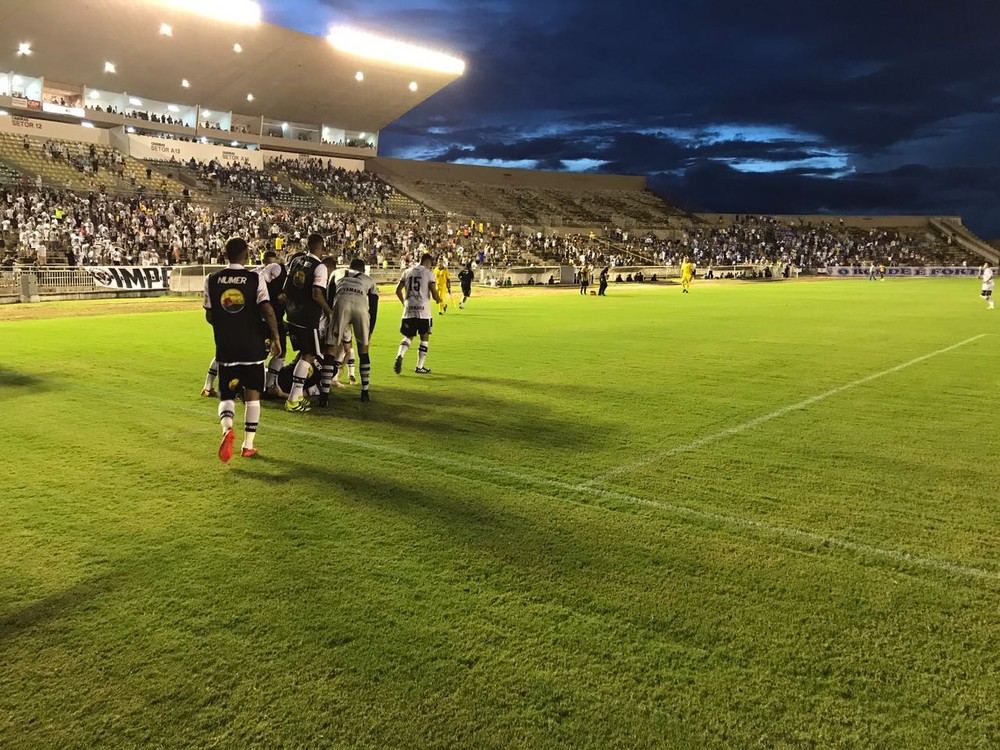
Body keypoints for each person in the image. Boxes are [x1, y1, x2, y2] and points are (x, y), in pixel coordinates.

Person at [203, 237, 280, 462]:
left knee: (226, 394)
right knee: (253, 394)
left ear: (225, 254)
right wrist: (275, 337)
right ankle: (248, 445)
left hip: (226, 346)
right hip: (252, 346)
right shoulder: (255, 278)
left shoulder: (212, 279)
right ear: (246, 254)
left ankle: (227, 429)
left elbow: (209, 314)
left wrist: (228, 323)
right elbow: (267, 309)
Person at [282, 233, 333, 412]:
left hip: (292, 316)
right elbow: (316, 295)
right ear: (321, 247)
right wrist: (330, 312)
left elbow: (285, 289)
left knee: (305, 354)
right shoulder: (319, 267)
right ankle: (294, 400)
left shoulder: (296, 261)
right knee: (308, 355)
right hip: (307, 318)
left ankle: (294, 396)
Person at [324, 258, 379, 403]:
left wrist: (331, 315)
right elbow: (373, 307)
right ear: (363, 270)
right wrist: (370, 331)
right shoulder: (369, 280)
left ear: (350, 267)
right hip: (361, 306)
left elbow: (329, 295)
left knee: (331, 350)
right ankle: (365, 392)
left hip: (341, 303)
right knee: (363, 351)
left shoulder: (337, 272)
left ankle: (324, 395)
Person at [395, 253, 441, 374]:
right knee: (424, 337)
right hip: (423, 311)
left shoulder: (407, 271)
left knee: (408, 336)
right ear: (429, 262)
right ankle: (419, 367)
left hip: (409, 310)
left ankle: (400, 355)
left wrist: (404, 303)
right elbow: (433, 291)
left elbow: (398, 290)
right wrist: (438, 299)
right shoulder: (428, 273)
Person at [258, 249, 288, 395]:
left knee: (281, 352)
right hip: (265, 318)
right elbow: (259, 279)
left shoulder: (292, 279)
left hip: (277, 319)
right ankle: (255, 386)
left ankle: (269, 385)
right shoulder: (276, 268)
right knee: (260, 354)